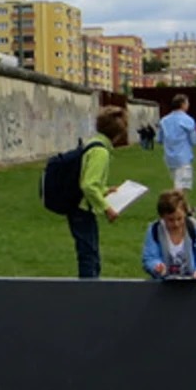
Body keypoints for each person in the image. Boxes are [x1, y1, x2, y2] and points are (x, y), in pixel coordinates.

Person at [68, 105, 130, 279]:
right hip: (82, 210)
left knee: (91, 252)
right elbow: (88, 185)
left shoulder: (93, 143)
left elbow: (88, 179)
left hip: (80, 208)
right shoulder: (100, 151)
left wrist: (105, 190)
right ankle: (90, 291)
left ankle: (93, 286)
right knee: (89, 255)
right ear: (118, 134)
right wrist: (107, 208)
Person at [142, 189, 196, 281]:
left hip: (193, 285)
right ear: (162, 217)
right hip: (163, 285)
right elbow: (150, 257)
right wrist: (156, 266)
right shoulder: (155, 230)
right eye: (170, 220)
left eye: (180, 219)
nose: (176, 224)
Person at [159, 94, 196, 200]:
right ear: (183, 104)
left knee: (179, 184)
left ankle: (186, 209)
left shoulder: (164, 120)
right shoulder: (188, 120)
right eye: (187, 102)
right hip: (183, 157)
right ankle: (174, 208)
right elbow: (194, 141)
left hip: (169, 157)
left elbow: (159, 139)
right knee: (180, 187)